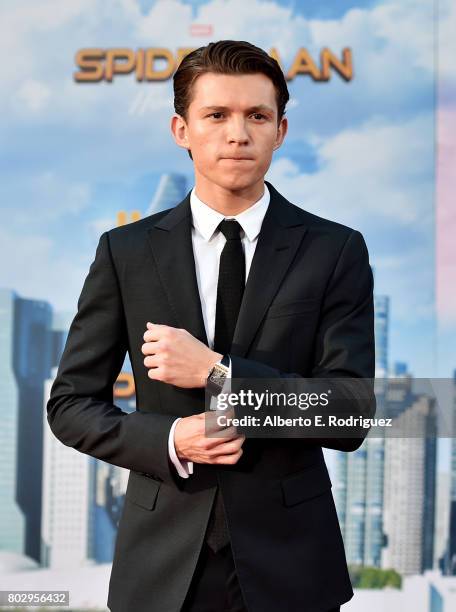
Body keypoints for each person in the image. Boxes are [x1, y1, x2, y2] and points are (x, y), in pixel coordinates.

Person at [47, 39, 375, 612]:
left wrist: (219, 372)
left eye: (257, 116)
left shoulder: (335, 251)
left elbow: (349, 411)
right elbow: (71, 405)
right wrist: (171, 439)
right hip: (160, 565)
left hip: (293, 566)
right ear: (181, 129)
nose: (237, 133)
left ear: (281, 130)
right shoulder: (125, 253)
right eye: (216, 115)